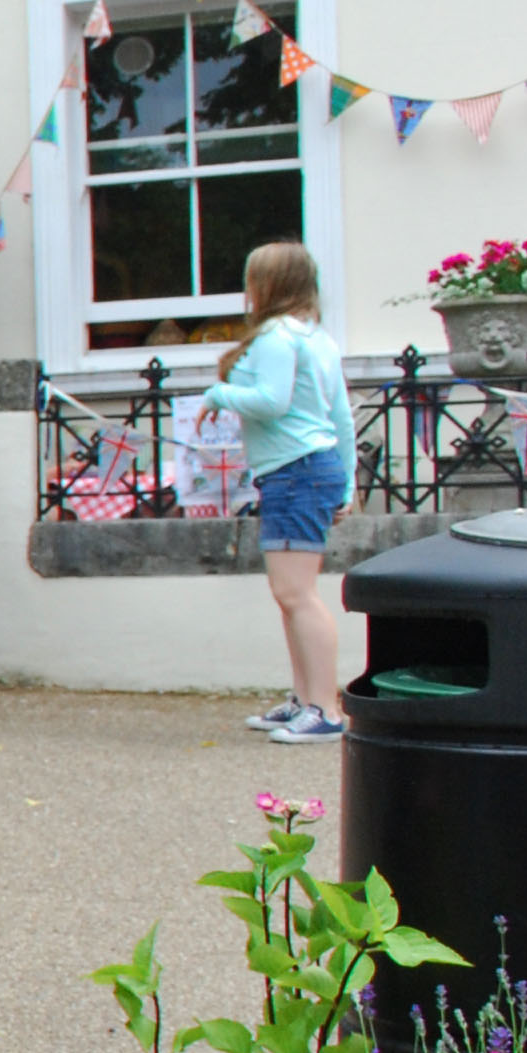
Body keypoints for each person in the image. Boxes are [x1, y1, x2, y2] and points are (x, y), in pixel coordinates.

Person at [208, 239, 351, 743]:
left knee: (296, 594)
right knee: (291, 595)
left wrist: (217, 393)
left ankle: (325, 710)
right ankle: (306, 700)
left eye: (252, 279)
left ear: (266, 286)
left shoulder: (275, 337)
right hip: (309, 469)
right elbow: (340, 419)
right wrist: (348, 481)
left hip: (294, 472)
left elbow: (270, 401)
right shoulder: (317, 339)